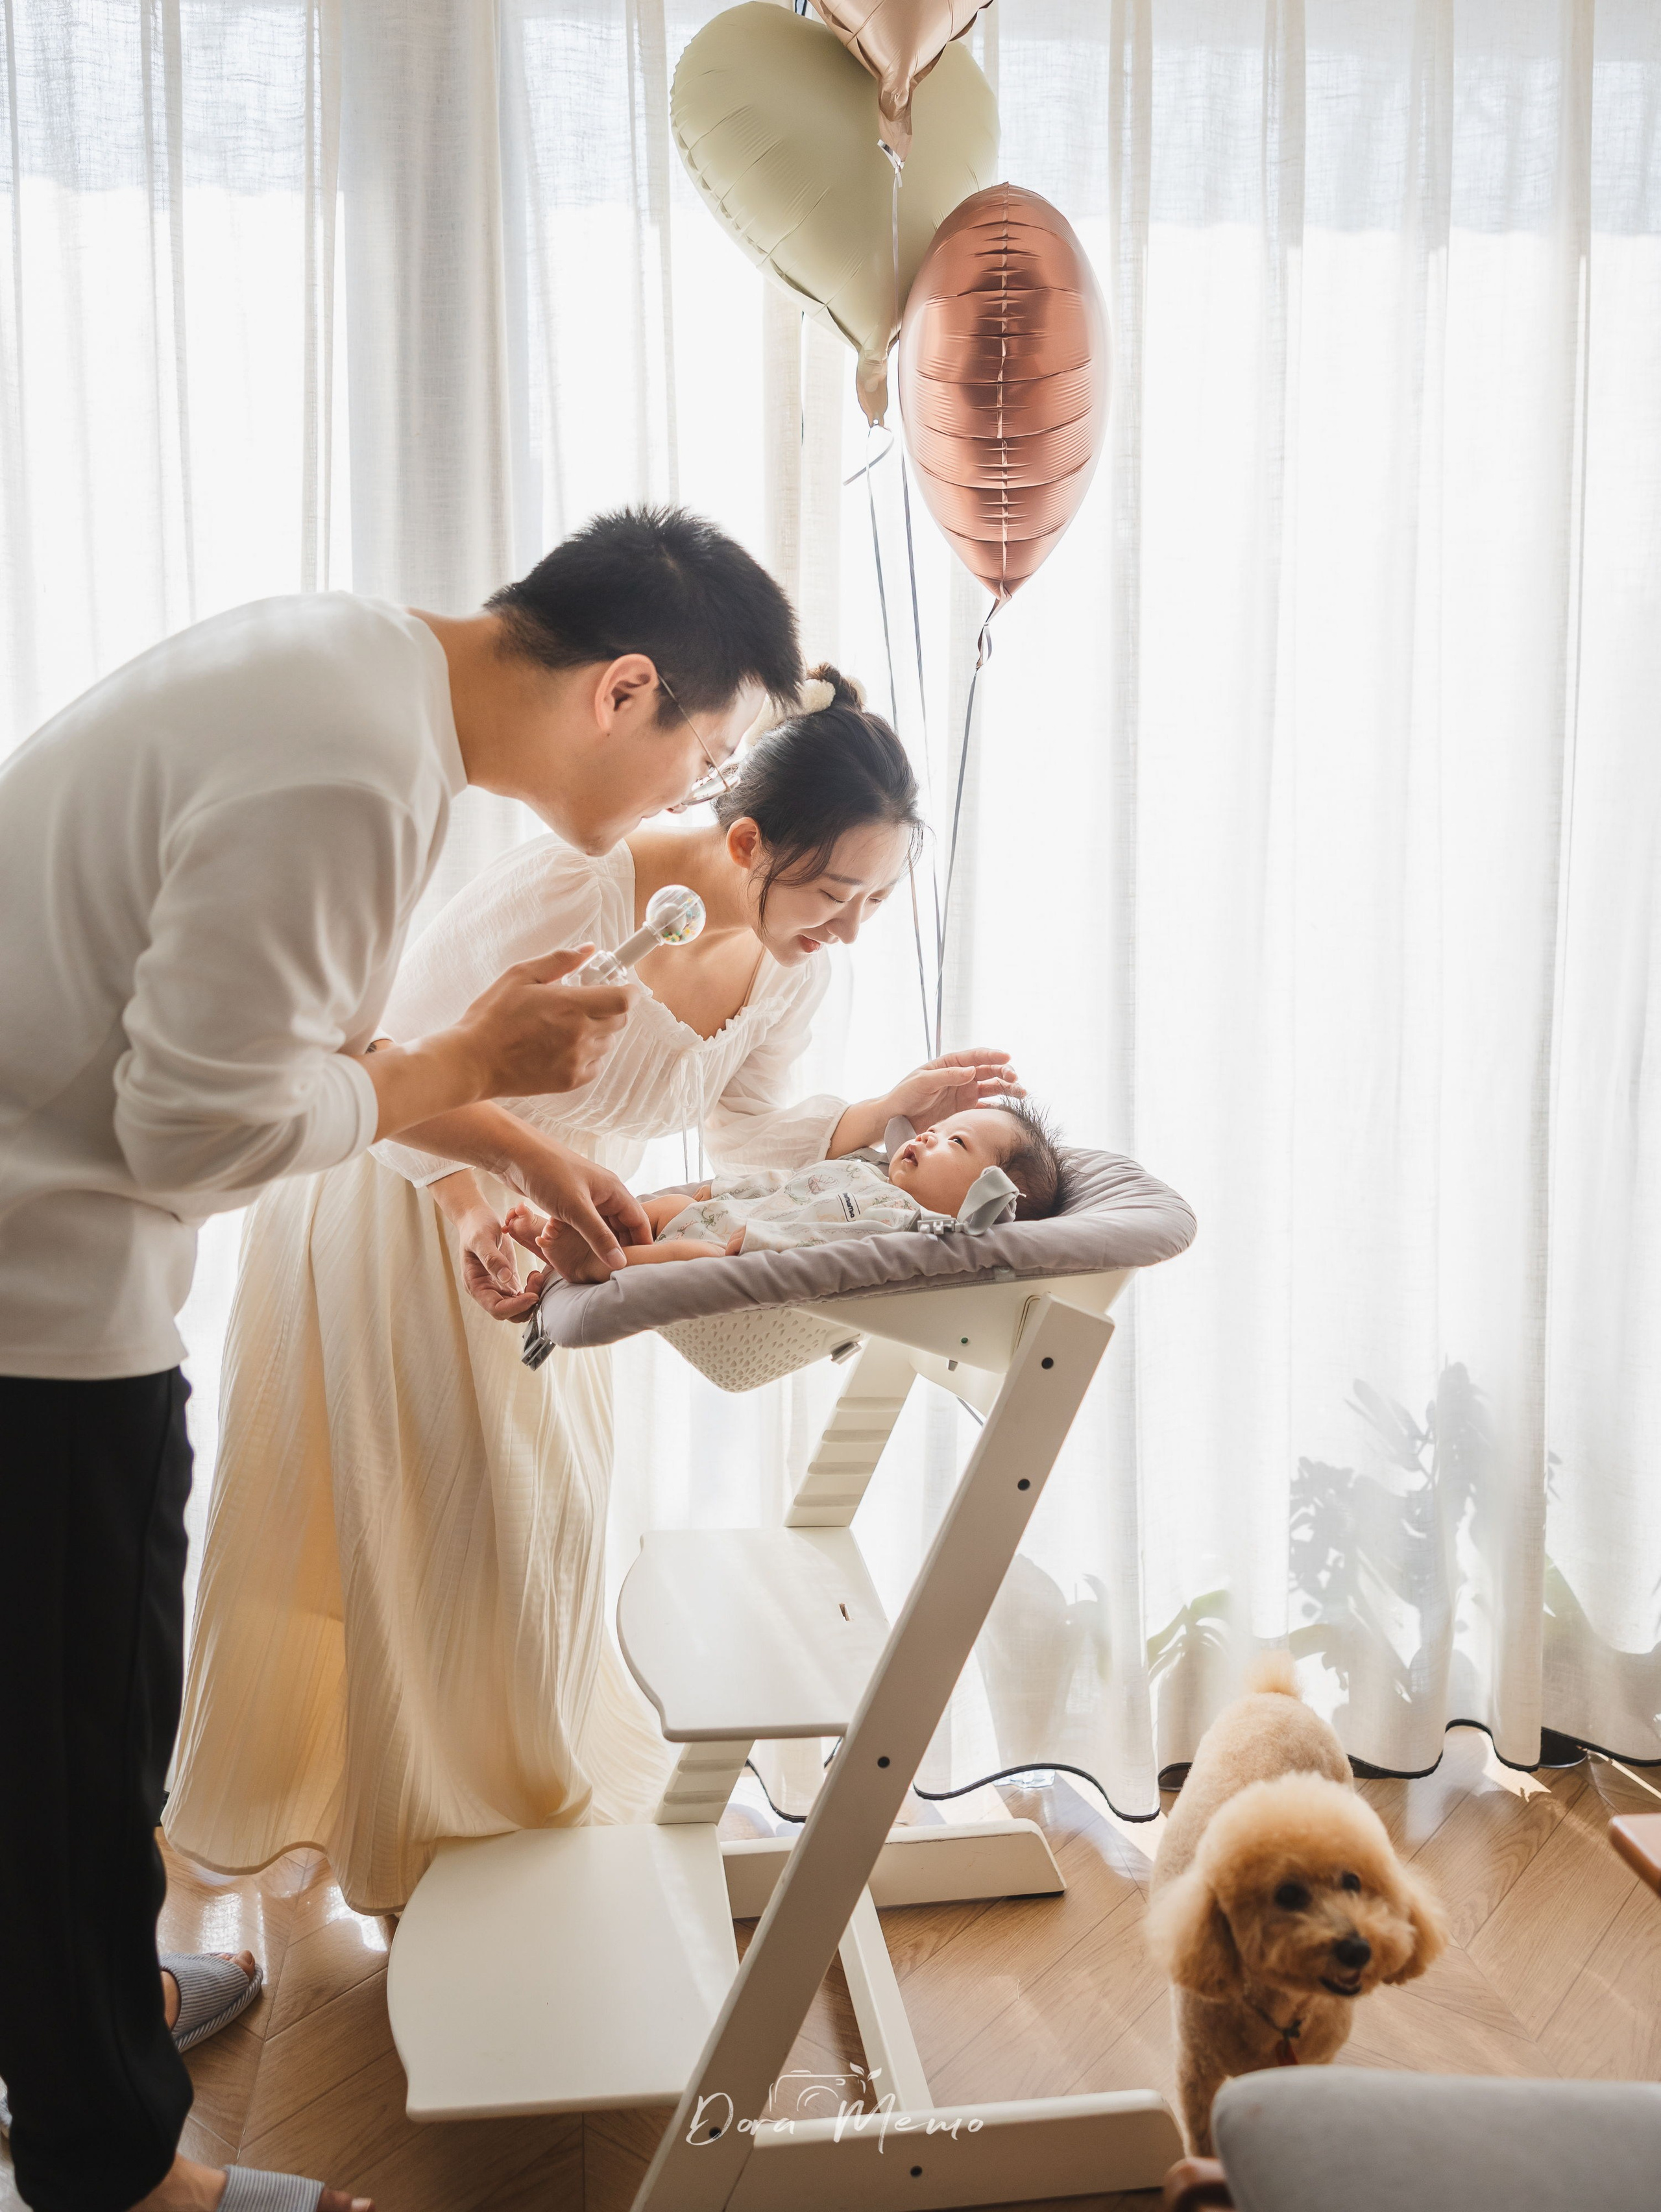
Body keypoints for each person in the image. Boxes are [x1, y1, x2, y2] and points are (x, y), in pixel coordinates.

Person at [0, 506, 803, 2212]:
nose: (694, 795)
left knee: (63, 1707)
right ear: (625, 688)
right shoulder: (354, 774)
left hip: (47, 1242)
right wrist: (472, 1062)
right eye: (703, 753)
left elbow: (300, 1040)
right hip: (40, 1285)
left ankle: (80, 2009)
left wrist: (515, 1149)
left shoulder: (353, 679)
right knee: (79, 1725)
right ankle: (113, 2167)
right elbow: (188, 1133)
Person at [164, 669, 1022, 1921]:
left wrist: (884, 1110)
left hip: (563, 1239)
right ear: (747, 843)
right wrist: (473, 1207)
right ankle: (409, 1838)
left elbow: (749, 1139)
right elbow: (383, 1063)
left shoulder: (795, 968)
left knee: (526, 1542)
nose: (849, 930)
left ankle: (488, 1835)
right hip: (408, 1197)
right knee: (403, 1528)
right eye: (836, 894)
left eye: (877, 901)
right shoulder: (581, 888)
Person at [590, 1098, 1066, 1260]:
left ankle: (601, 1263)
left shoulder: (902, 1219)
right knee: (665, 1209)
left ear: (981, 1197)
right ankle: (589, 1230)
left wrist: (763, 1240)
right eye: (937, 1128)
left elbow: (830, 1242)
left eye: (956, 1142)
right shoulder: (865, 1168)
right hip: (730, 1213)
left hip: (735, 1248)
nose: (927, 1136)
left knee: (690, 1257)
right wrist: (725, 1190)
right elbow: (791, 1181)